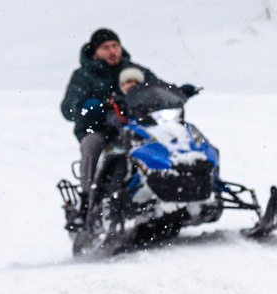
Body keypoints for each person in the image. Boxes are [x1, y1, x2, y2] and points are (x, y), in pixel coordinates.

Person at [61, 28, 196, 199]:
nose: (112, 51)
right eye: (105, 47)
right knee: (92, 144)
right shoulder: (84, 76)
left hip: (138, 123)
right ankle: (88, 197)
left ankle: (177, 182)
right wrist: (86, 108)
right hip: (101, 128)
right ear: (95, 52)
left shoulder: (134, 70)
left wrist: (179, 92)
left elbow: (157, 88)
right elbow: (68, 108)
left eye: (115, 45)